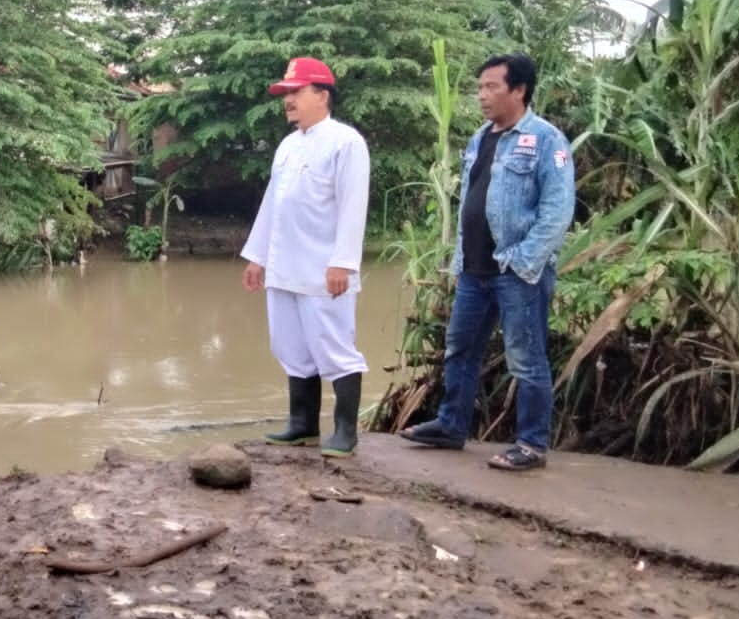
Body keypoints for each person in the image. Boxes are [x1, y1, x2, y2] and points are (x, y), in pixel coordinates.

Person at [399, 53, 576, 471]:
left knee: (525, 358)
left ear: (519, 90)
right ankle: (451, 426)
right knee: (460, 349)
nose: (482, 95)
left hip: (517, 271)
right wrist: (462, 260)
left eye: (491, 87)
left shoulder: (547, 140)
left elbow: (558, 211)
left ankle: (531, 445)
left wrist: (523, 261)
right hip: (475, 269)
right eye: (479, 87)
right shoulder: (481, 137)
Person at [241, 57, 371, 458]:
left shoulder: (346, 142)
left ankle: (345, 431)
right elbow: (272, 205)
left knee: (333, 345)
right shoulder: (287, 146)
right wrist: (257, 256)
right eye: (286, 94)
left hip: (323, 268)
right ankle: (302, 425)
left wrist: (343, 263)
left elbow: (353, 205)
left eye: (296, 92)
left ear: (323, 95)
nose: (288, 100)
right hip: (283, 265)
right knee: (291, 346)